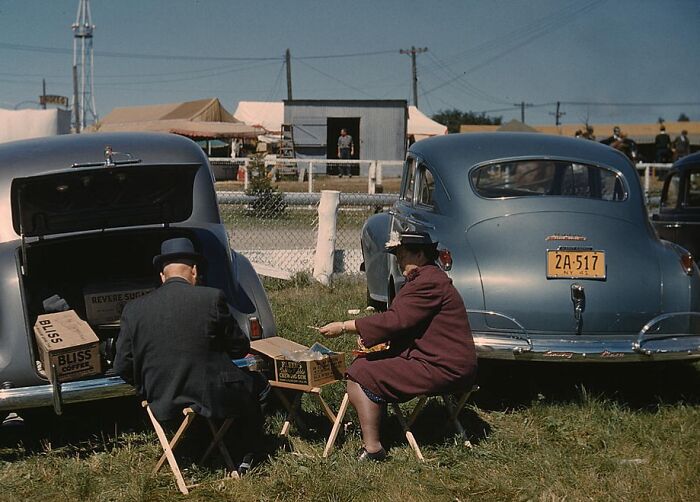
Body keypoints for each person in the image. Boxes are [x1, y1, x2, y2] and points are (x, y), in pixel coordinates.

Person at [320, 231, 477, 461]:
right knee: (365, 363)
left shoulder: (427, 282)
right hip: (441, 361)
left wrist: (345, 326)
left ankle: (373, 448)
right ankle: (380, 427)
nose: (399, 261)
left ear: (421, 255)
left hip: (443, 367)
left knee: (359, 372)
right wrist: (380, 339)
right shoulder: (429, 279)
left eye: (403, 255)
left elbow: (395, 319)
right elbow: (410, 323)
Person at [114, 237, 268, 470]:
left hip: (162, 400)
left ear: (162, 277)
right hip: (212, 397)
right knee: (260, 385)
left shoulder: (134, 310)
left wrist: (149, 385)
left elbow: (122, 365)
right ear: (194, 271)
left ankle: (198, 442)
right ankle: (245, 454)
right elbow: (240, 347)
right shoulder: (211, 298)